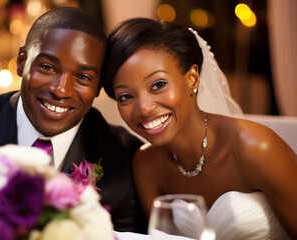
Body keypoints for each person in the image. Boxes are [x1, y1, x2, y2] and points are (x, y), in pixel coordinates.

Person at [0, 7, 147, 233]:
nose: (61, 90)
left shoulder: (125, 161)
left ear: (98, 87)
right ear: (21, 61)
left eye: (83, 77)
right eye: (47, 67)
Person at [101, 18, 297, 239]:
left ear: (192, 78)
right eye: (126, 96)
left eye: (158, 85)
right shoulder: (146, 165)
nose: (144, 109)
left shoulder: (255, 147)